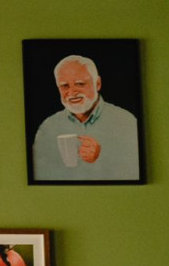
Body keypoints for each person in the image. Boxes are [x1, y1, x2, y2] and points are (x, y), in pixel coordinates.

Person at [31, 54, 139, 182]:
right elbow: (39, 174)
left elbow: (137, 172)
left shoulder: (126, 122)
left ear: (97, 84)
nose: (72, 93)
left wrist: (102, 156)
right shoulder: (48, 127)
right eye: (65, 86)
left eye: (80, 84)